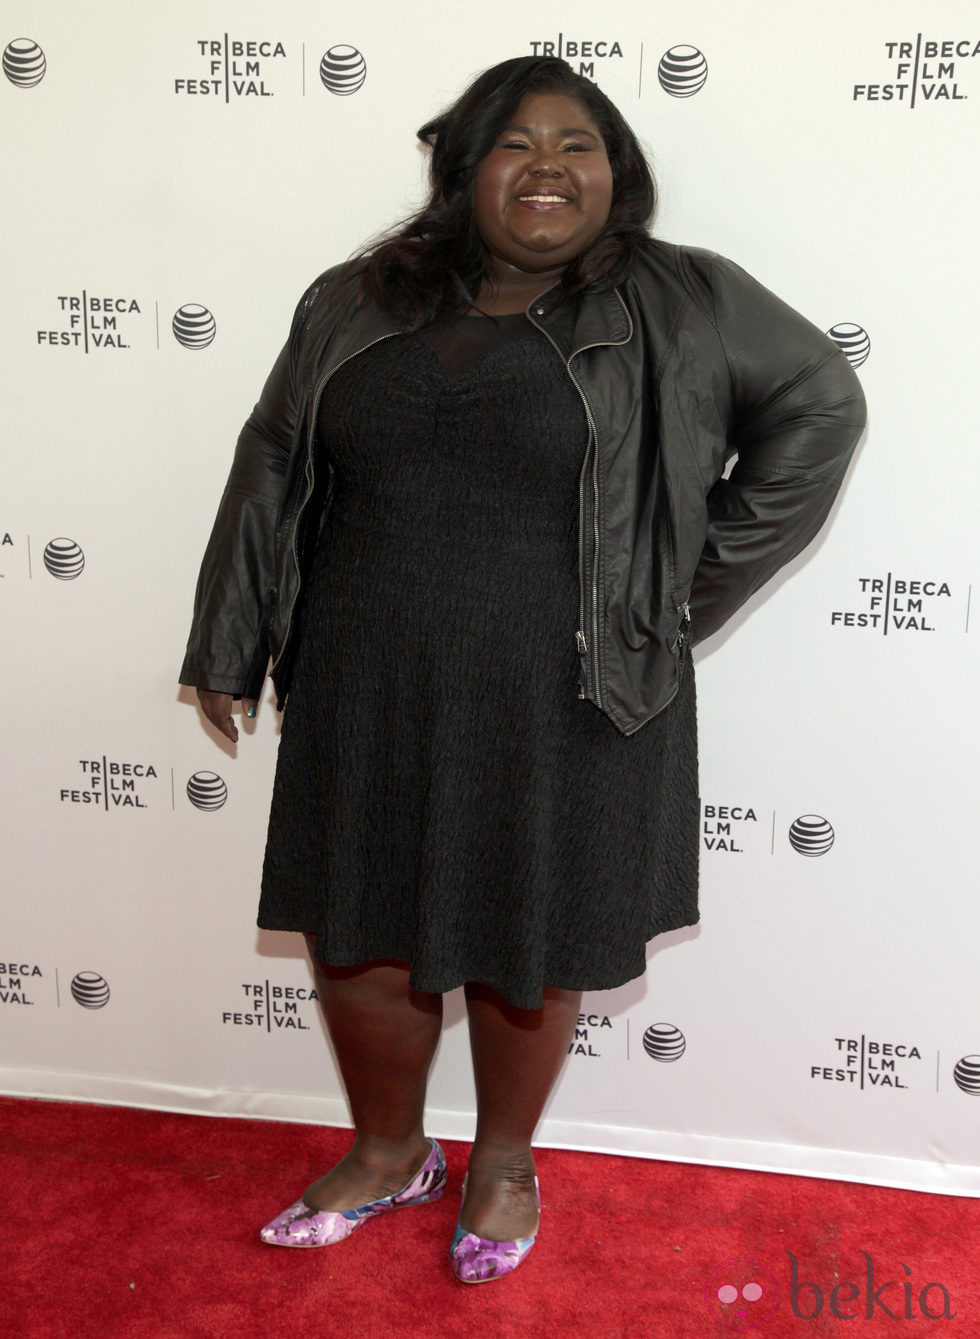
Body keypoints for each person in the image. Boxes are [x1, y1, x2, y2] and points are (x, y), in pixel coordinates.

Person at [180, 55, 866, 1283]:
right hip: (366, 669)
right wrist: (230, 639)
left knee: (530, 929)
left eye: (578, 145)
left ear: (618, 174)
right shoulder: (352, 297)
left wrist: (673, 593)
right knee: (358, 931)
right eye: (515, 143)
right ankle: (389, 1150)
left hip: (578, 686)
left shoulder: (684, 299)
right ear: (462, 170)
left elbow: (820, 405)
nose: (547, 167)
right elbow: (274, 458)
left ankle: (501, 1161)